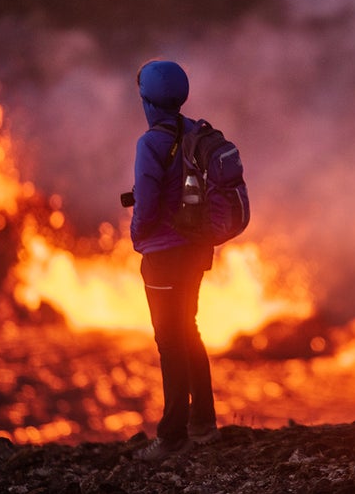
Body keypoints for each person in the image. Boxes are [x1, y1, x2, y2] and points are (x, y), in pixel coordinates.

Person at [128, 60, 220, 461]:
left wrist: (136, 236)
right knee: (188, 328)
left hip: (164, 257)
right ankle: (204, 424)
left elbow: (146, 206)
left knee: (169, 340)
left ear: (147, 100)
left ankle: (173, 438)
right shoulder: (194, 133)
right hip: (197, 250)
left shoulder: (150, 143)